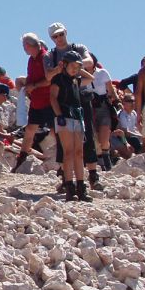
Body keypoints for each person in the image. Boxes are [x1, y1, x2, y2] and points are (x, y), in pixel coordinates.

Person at [44, 22, 100, 186]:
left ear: (66, 33)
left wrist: (73, 63)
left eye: (61, 34)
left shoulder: (78, 48)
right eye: (55, 36)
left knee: (87, 136)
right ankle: (66, 177)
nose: (59, 38)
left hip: (80, 97)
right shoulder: (50, 55)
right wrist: (61, 67)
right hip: (62, 99)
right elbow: (48, 76)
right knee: (64, 142)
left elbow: (89, 62)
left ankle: (92, 174)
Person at [12, 33, 55, 173]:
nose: (24, 48)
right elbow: (31, 77)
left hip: (49, 101)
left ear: (29, 46)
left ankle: (63, 162)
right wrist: (28, 88)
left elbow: (50, 80)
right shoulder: (32, 59)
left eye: (25, 46)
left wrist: (34, 86)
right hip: (37, 101)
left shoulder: (45, 57)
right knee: (30, 129)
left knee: (55, 132)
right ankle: (21, 159)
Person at [51, 51, 91, 202]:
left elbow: (90, 78)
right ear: (65, 64)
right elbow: (53, 98)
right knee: (68, 152)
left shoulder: (76, 80)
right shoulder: (58, 79)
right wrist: (59, 115)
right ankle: (70, 188)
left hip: (77, 117)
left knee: (79, 153)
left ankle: (81, 188)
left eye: (78, 66)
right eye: (72, 65)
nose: (75, 69)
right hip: (64, 117)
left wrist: (78, 68)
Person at [84, 54, 119, 171]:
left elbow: (110, 89)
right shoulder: (80, 76)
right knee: (92, 137)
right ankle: (97, 164)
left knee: (104, 136)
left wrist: (116, 100)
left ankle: (107, 162)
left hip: (103, 107)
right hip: (88, 108)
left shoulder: (102, 73)